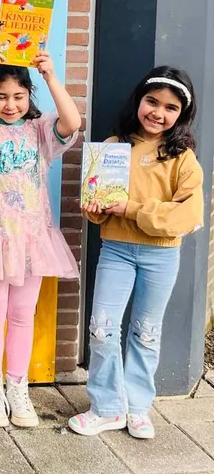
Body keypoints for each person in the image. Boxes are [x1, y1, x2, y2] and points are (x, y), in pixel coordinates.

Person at [69, 67, 203, 440]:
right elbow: (95, 210)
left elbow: (186, 216)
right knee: (102, 328)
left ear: (182, 115)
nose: (158, 113)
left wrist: (131, 209)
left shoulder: (182, 159)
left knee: (146, 332)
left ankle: (138, 405)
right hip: (116, 250)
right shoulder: (114, 146)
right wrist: (95, 202)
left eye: (170, 107)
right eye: (152, 101)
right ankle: (106, 406)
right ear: (138, 101)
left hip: (161, 255)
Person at [0, 49, 81, 428]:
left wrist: (51, 76)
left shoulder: (40, 132)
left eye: (18, 96)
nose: (10, 104)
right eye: (1, 96)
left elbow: (71, 121)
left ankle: (17, 387)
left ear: (29, 97)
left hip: (31, 239)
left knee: (22, 316)